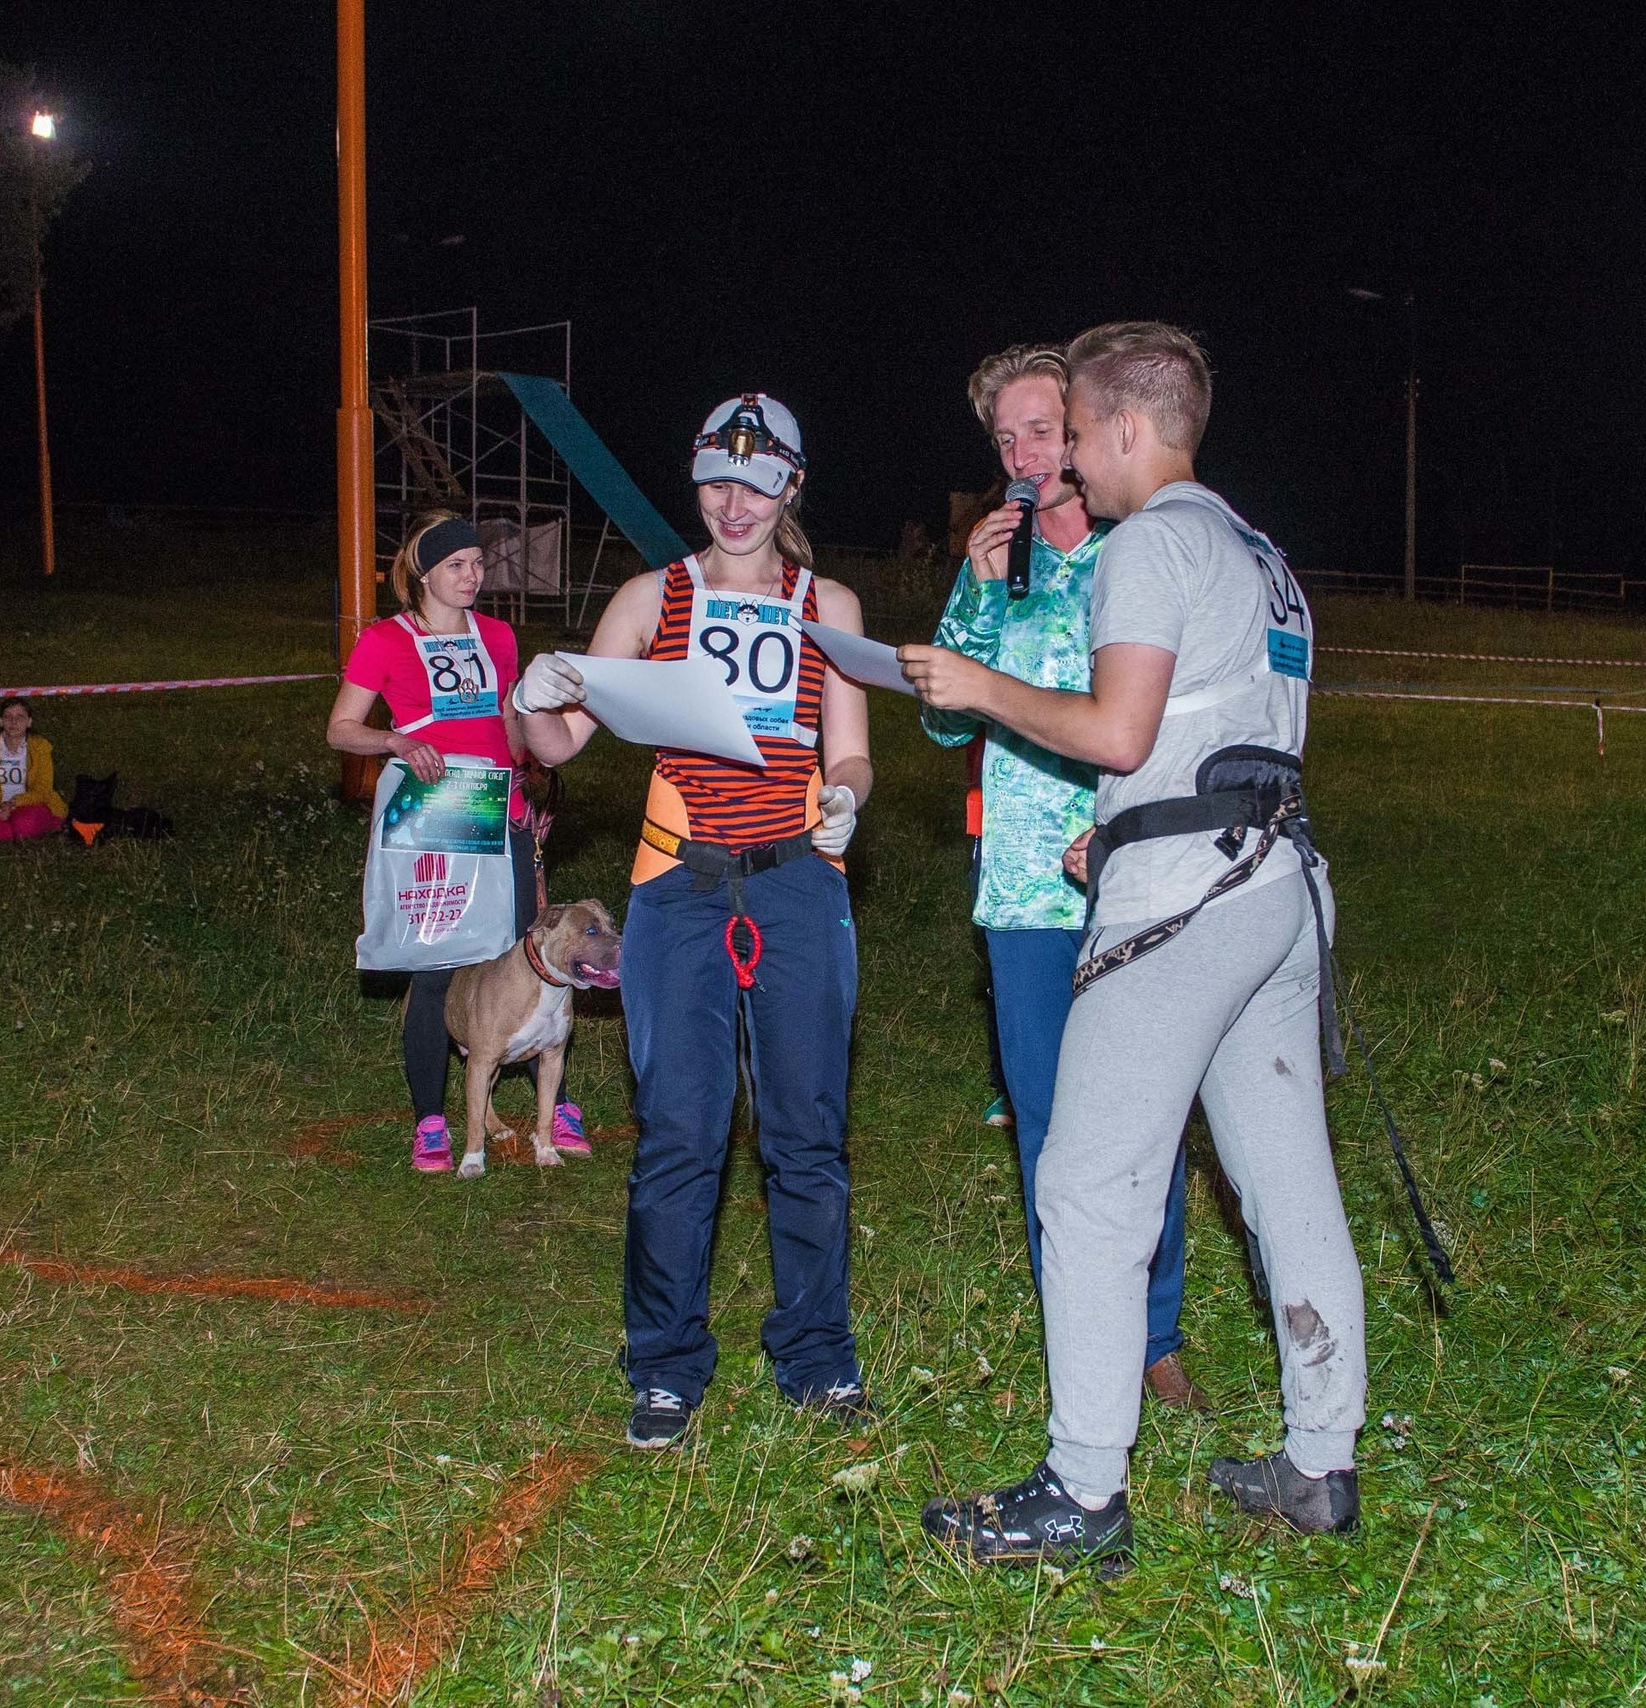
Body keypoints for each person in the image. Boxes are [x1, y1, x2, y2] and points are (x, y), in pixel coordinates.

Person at [905, 322, 1366, 1569]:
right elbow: (1209, 732)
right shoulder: (1256, 552)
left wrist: (976, 685)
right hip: (1276, 884)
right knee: (1287, 1182)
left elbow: (1117, 731)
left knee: (1086, 1184)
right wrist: (1115, 831)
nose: (1063, 474)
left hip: (1186, 901)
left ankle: (1081, 1490)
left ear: (1119, 426)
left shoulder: (1151, 541)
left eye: (1074, 438)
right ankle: (1322, 1462)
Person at [513, 393, 876, 1450]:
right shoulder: (646, 596)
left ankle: (816, 1354)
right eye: (716, 481)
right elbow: (560, 739)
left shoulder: (830, 605)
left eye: (757, 484)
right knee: (680, 1129)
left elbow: (847, 747)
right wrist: (531, 699)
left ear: (792, 488)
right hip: (677, 886)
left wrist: (846, 794)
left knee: (806, 1132)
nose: (733, 504)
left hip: (796, 880)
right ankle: (665, 1364)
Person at [922, 343, 1206, 1412]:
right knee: (1045, 1122)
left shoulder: (1139, 556)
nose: (1025, 455)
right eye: (1005, 440)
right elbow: (941, 714)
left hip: (1134, 876)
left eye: (1043, 430)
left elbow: (1166, 722)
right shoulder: (993, 564)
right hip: (1020, 893)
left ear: (1083, 434)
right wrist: (984, 594)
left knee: (1147, 1111)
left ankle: (1152, 1331)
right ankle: (1074, 1337)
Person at [326, 512, 583, 1174]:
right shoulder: (384, 640)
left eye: (477, 563)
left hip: (500, 808)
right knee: (437, 970)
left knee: (530, 949)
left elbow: (506, 720)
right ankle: (431, 1121)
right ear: (422, 572)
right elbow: (340, 729)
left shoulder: (496, 636)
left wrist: (533, 780)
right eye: (457, 566)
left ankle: (553, 1107)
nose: (473, 576)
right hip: (433, 807)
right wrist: (396, 740)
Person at [0, 699, 69, 841]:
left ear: (29, 722)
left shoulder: (40, 747)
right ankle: (11, 832)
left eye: (20, 717)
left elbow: (43, 789)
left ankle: (19, 829)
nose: (13, 722)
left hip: (30, 805)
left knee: (25, 823)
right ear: (0, 721)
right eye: (8, 717)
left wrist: (14, 803)